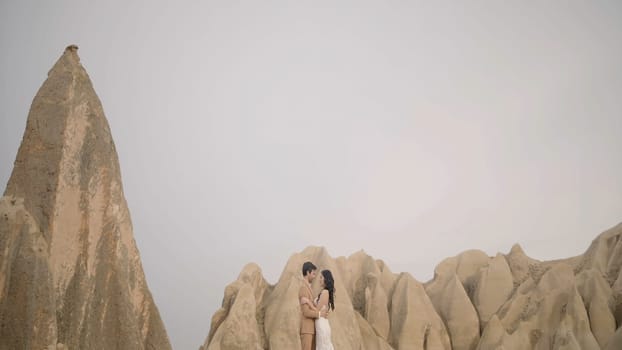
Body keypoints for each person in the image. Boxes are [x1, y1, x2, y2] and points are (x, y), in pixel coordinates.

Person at [299, 261, 327, 350]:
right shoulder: (303, 288)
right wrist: (319, 314)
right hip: (307, 330)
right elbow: (306, 312)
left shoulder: (309, 288)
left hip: (312, 329)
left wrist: (309, 303)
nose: (314, 276)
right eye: (313, 274)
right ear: (308, 272)